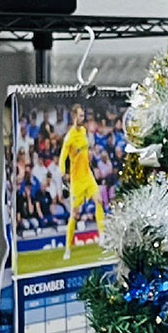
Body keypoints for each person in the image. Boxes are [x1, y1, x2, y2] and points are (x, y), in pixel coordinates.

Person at [59, 103, 105, 259]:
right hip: (77, 180)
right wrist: (62, 175)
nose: (82, 118)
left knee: (99, 201)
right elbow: (62, 158)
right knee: (74, 215)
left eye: (83, 115)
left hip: (88, 176)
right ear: (74, 117)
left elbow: (86, 153)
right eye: (80, 115)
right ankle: (67, 248)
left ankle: (103, 236)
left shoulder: (84, 131)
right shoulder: (69, 137)